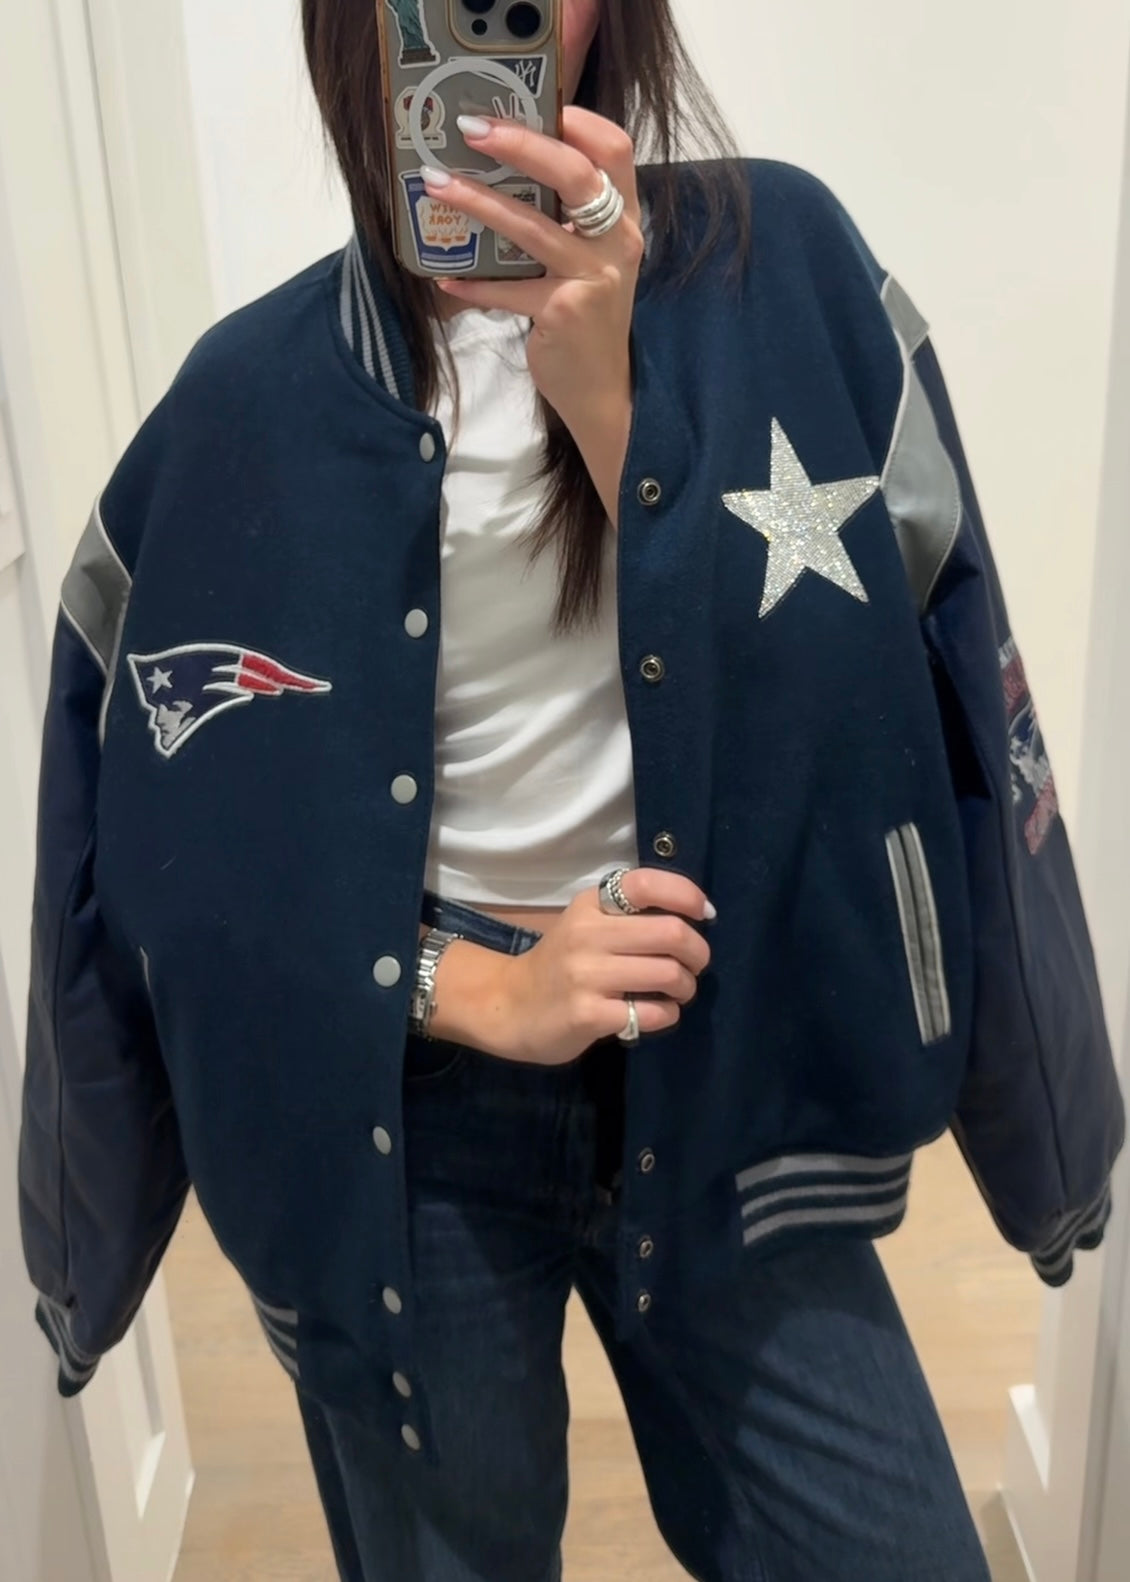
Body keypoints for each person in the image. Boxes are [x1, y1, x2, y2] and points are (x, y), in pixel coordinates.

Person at [17, 2, 1124, 1579]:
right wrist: (460, 982)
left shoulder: (786, 273)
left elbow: (893, 710)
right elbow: (178, 870)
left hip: (729, 1074)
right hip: (410, 1137)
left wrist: (617, 408)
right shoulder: (238, 408)